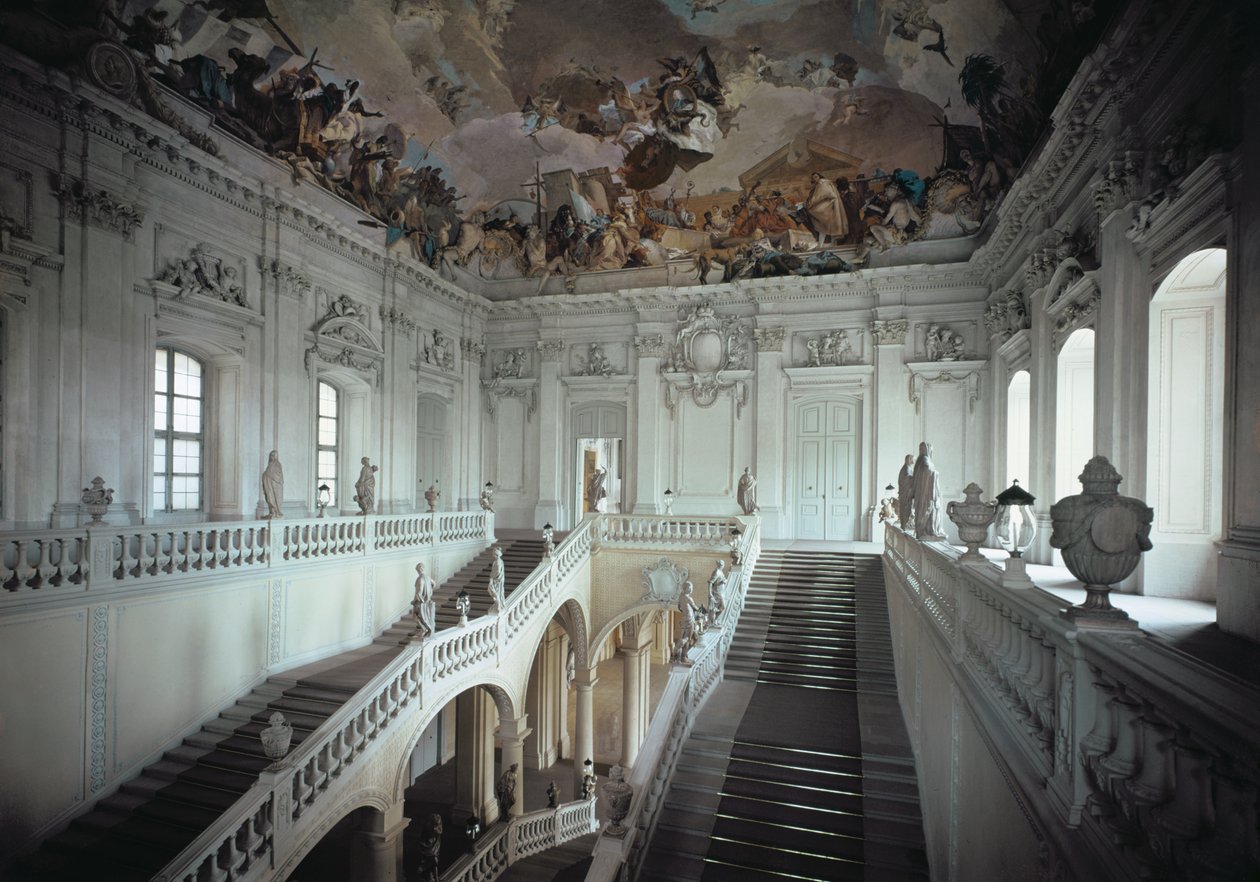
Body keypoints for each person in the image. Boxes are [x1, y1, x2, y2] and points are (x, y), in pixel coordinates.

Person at [805, 172, 847, 247]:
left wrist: (809, 204)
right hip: (830, 207)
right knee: (826, 228)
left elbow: (817, 198)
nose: (814, 179)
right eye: (813, 178)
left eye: (816, 176)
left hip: (827, 207)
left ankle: (823, 245)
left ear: (819, 176)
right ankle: (825, 245)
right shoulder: (825, 183)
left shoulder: (822, 183)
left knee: (821, 225)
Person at [912, 442, 945, 539]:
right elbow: (927, 471)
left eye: (923, 449)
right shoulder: (924, 459)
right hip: (926, 492)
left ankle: (927, 530)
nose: (922, 451)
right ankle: (927, 530)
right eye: (921, 449)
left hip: (923, 491)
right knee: (927, 510)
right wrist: (935, 473)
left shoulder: (921, 460)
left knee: (927, 510)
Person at [411, 562, 436, 639]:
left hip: (420, 602)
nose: (417, 571)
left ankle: (423, 629)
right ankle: (425, 629)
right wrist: (430, 592)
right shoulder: (427, 578)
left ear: (419, 570)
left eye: (417, 570)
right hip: (427, 601)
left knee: (414, 616)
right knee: (423, 617)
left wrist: (415, 601)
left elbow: (419, 593)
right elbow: (434, 583)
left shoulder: (420, 579)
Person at [261, 450, 283, 519]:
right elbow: (267, 473)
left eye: (273, 455)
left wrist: (267, 473)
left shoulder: (277, 465)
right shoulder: (270, 465)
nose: (272, 457)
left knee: (274, 499)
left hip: (275, 488)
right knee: (269, 499)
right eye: (271, 455)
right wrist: (265, 474)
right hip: (269, 486)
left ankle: (276, 512)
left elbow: (278, 476)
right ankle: (272, 512)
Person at [897, 453, 916, 530]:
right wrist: (915, 477)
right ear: (909, 460)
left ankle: (905, 524)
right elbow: (906, 479)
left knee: (907, 508)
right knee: (905, 508)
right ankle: (904, 524)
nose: (914, 461)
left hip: (907, 492)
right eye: (913, 459)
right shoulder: (906, 468)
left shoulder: (908, 468)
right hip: (905, 493)